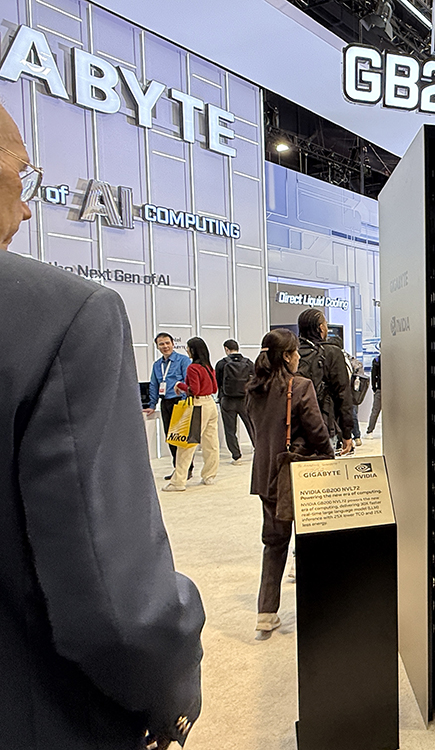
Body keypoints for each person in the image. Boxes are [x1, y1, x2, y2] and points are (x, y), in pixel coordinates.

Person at [0, 102, 204, 749]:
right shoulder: (68, 314)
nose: (26, 207)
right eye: (22, 175)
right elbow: (118, 609)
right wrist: (173, 690)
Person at [246, 328, 335, 639]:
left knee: (273, 543)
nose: (298, 357)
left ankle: (266, 613)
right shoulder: (300, 386)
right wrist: (328, 455)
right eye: (295, 352)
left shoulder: (254, 389)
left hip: (266, 474)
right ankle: (316, 613)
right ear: (286, 356)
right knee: (310, 542)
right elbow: (317, 430)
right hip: (298, 474)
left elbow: (257, 432)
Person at [165, 337, 221, 491]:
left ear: (193, 350)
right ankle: (209, 475)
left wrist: (179, 385)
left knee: (187, 444)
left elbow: (194, 390)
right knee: (211, 443)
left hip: (198, 405)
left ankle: (178, 482)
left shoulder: (193, 368)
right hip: (210, 404)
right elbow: (214, 389)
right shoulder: (209, 367)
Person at [296, 309, 354, 454]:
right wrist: (347, 433)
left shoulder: (293, 352)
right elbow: (343, 394)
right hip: (323, 423)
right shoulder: (332, 352)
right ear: (321, 327)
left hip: (294, 425)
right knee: (324, 465)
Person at [144, 332, 192, 479]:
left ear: (173, 344)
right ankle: (177, 468)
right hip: (165, 402)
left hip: (180, 402)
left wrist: (184, 400)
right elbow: (154, 385)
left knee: (181, 438)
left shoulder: (183, 360)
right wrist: (152, 404)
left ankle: (186, 469)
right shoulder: (157, 365)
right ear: (157, 347)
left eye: (167, 343)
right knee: (170, 438)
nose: (165, 346)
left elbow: (187, 381)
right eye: (161, 344)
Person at [216, 339, 256, 464]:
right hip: (245, 400)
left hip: (227, 400)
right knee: (251, 426)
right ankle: (257, 448)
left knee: (230, 430)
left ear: (226, 349)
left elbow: (218, 382)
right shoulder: (248, 363)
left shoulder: (221, 364)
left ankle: (236, 456)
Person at [366, 353, 382, 435]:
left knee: (375, 411)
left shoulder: (377, 360)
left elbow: (374, 375)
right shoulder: (392, 359)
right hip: (391, 389)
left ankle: (370, 431)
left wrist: (374, 388)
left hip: (380, 388)